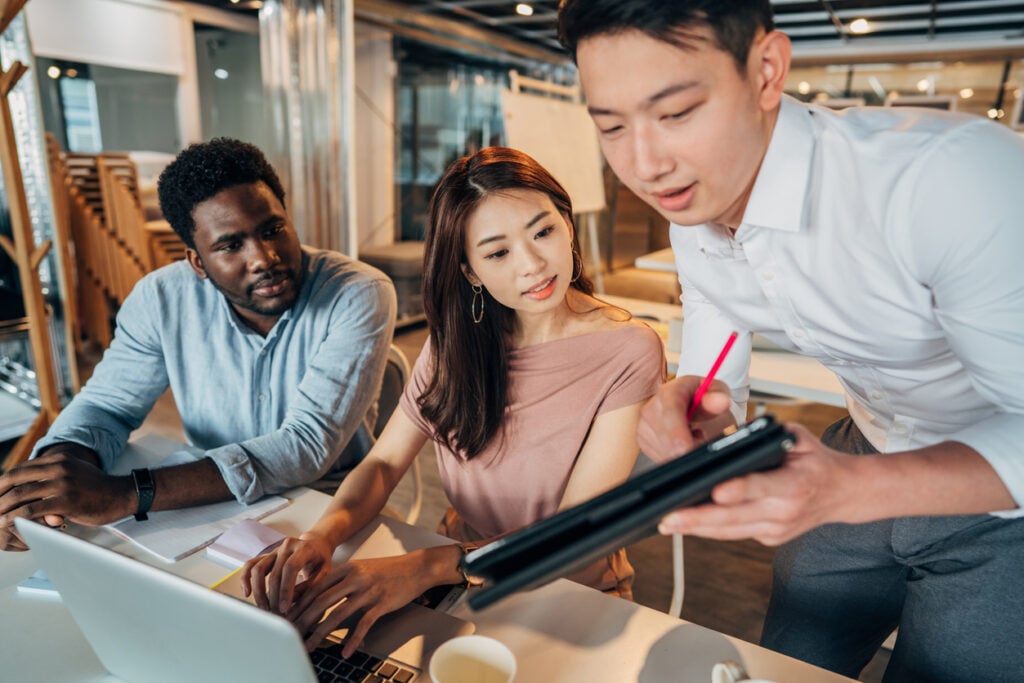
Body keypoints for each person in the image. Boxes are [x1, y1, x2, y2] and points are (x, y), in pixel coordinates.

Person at [558, 2, 1024, 681]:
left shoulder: (950, 177)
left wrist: (849, 490)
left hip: (997, 498)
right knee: (785, 658)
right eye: (611, 127)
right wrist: (698, 412)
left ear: (768, 70)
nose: (645, 165)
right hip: (863, 442)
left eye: (678, 112)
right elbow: (717, 365)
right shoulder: (697, 213)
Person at [242, 147, 666, 657]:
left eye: (543, 231)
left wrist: (428, 566)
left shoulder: (628, 347)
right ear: (469, 272)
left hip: (566, 590)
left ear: (568, 224)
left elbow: (574, 533)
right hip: (456, 577)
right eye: (497, 253)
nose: (533, 264)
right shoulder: (456, 343)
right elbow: (382, 463)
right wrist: (322, 535)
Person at [0, 138, 397, 551]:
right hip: (212, 506)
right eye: (230, 245)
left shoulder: (358, 292)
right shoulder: (161, 299)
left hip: (330, 507)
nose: (263, 257)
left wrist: (124, 495)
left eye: (273, 230)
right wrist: (55, 481)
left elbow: (305, 445)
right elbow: (107, 406)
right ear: (197, 262)